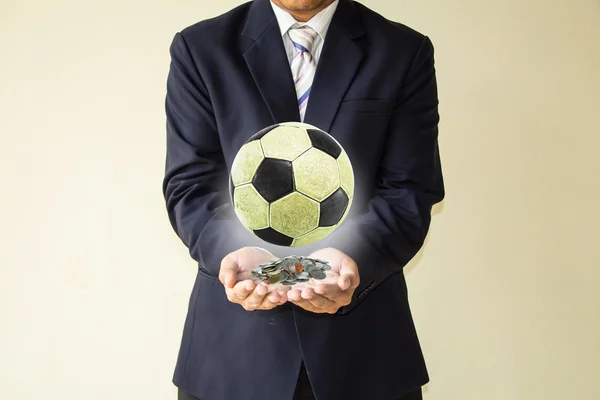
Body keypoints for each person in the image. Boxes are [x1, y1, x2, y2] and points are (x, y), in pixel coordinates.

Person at [162, 0, 444, 398]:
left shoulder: (402, 52)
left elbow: (409, 189)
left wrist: (348, 263)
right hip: (231, 360)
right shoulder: (201, 48)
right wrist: (238, 253)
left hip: (365, 358)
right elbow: (190, 185)